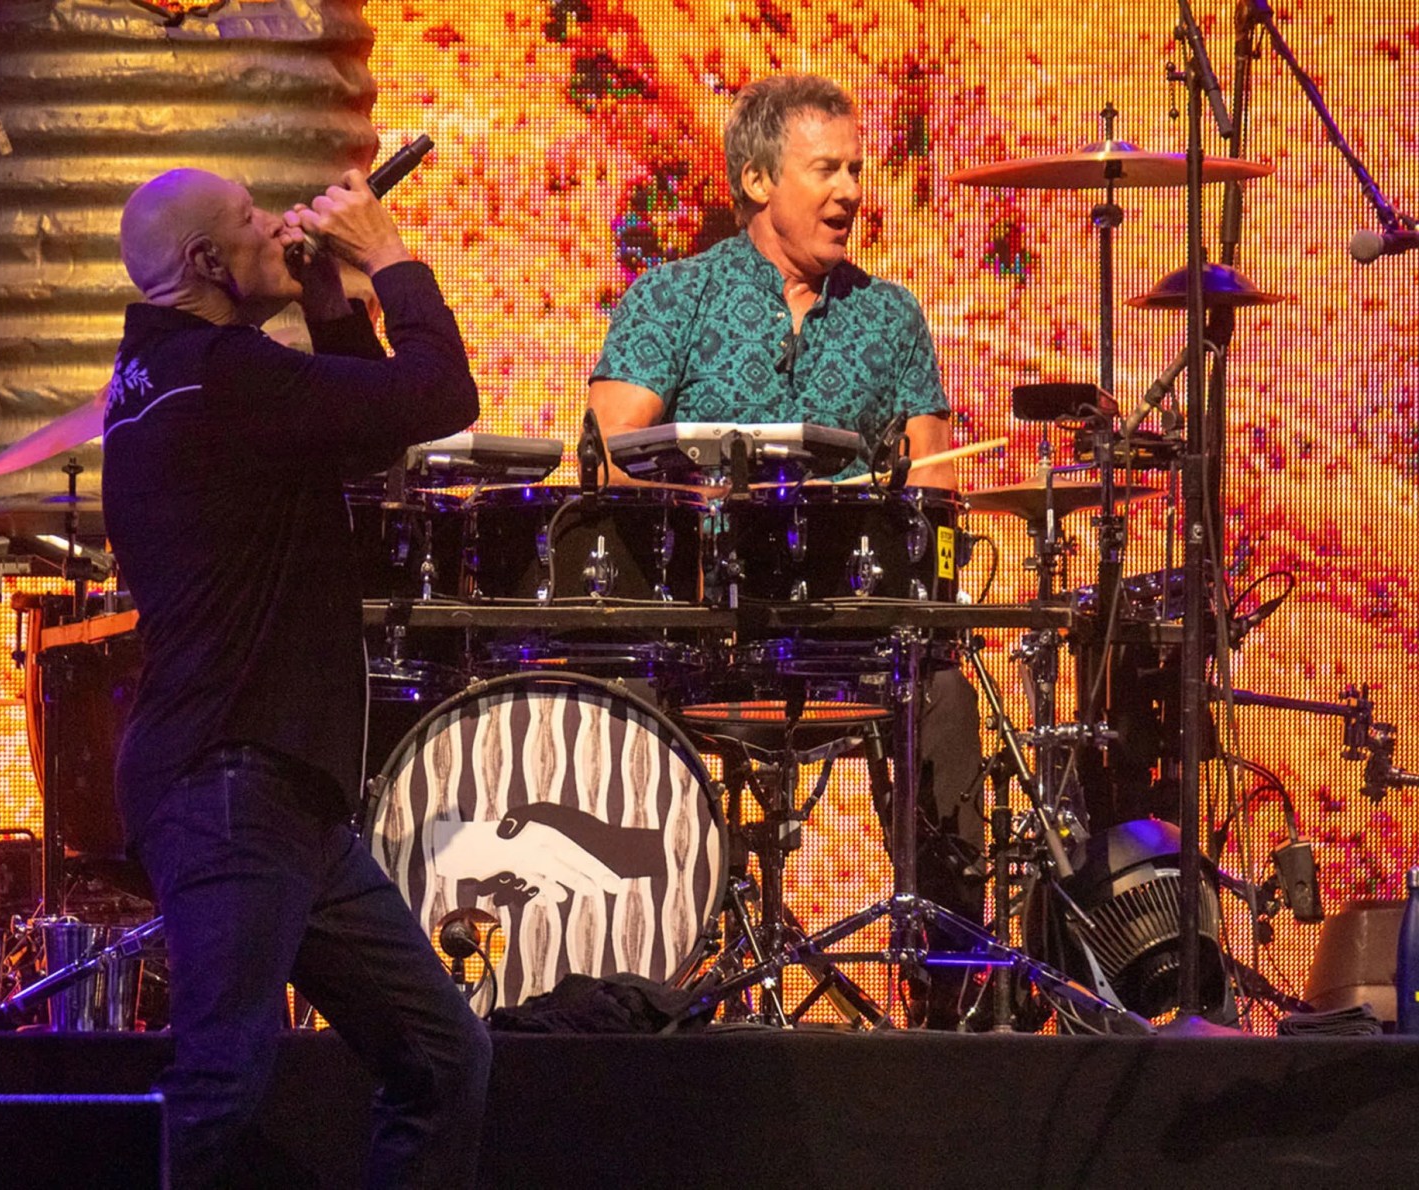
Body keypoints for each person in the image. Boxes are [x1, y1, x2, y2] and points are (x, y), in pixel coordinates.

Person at [102, 166, 491, 1187]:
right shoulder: (226, 377)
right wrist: (388, 259)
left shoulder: (179, 376)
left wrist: (326, 308)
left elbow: (363, 439)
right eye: (249, 221)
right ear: (202, 264)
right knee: (220, 1082)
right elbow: (438, 395)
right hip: (231, 783)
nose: (278, 226)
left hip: (273, 792)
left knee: (442, 1055)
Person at [587, 74, 986, 1026]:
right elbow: (610, 452)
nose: (851, 189)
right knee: (618, 702)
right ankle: (648, 977)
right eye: (828, 169)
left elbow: (935, 477)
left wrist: (916, 512)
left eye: (857, 168)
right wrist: (711, 494)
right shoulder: (674, 297)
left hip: (842, 633)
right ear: (759, 180)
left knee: (944, 699)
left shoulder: (889, 316)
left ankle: (954, 987)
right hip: (696, 634)